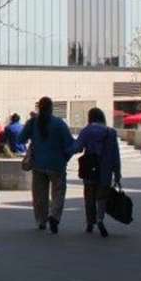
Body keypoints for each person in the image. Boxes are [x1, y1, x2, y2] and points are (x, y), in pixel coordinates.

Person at [18, 97, 76, 233]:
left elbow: (20, 139)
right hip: (57, 164)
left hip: (38, 164)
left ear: (39, 108)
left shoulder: (33, 123)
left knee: (39, 195)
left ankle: (41, 221)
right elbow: (70, 144)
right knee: (58, 192)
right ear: (51, 108)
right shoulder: (59, 123)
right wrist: (66, 157)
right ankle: (54, 216)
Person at [74, 107, 121, 237]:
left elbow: (77, 147)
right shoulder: (111, 132)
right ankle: (100, 219)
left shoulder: (86, 131)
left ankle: (90, 222)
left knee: (89, 197)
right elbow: (115, 155)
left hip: (89, 168)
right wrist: (117, 174)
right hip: (105, 170)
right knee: (101, 197)